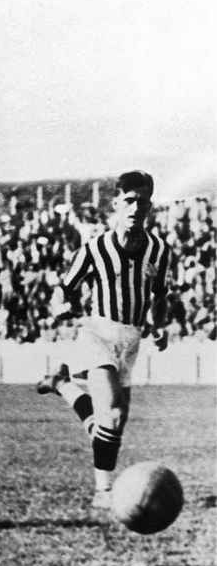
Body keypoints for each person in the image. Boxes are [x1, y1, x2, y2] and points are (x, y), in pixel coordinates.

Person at [37, 171, 170, 509]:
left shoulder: (158, 249)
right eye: (129, 201)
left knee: (112, 423)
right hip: (98, 332)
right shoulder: (95, 248)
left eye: (142, 202)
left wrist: (159, 324)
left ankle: (63, 385)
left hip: (132, 338)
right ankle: (104, 492)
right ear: (115, 204)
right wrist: (61, 307)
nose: (135, 208)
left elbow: (159, 294)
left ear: (149, 206)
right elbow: (64, 288)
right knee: (110, 413)